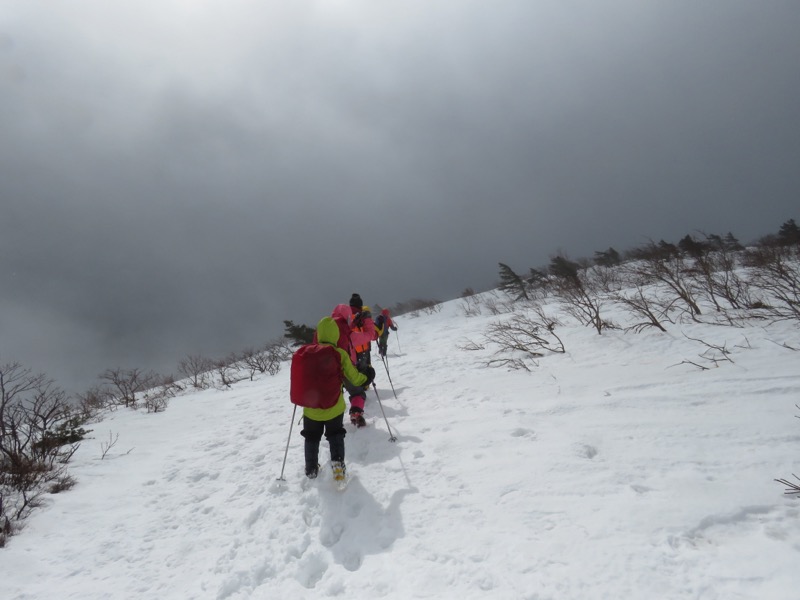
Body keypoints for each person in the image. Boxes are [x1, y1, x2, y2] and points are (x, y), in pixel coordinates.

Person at [301, 316, 375, 480]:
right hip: (334, 406)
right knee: (335, 435)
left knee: (311, 437)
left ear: (319, 334)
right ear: (335, 334)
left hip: (311, 408)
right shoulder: (339, 354)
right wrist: (368, 377)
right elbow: (354, 378)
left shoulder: (306, 353)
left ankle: (311, 468)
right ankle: (338, 466)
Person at [346, 293, 378, 427]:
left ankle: (359, 395)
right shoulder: (362, 316)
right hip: (360, 348)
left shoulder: (345, 317)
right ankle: (360, 399)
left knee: (354, 378)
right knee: (362, 374)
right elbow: (372, 334)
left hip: (350, 354)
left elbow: (346, 331)